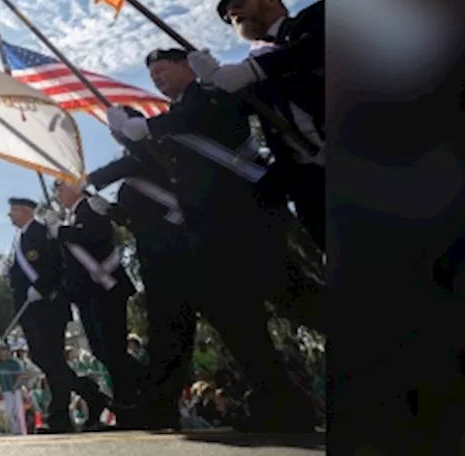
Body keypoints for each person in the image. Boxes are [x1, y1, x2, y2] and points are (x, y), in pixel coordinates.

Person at [107, 49, 318, 432]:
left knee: (295, 298)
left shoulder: (209, 95)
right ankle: (280, 402)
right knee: (239, 321)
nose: (156, 78)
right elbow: (150, 153)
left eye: (163, 69)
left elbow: (200, 119)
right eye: (151, 74)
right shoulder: (176, 117)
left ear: (187, 65)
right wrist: (127, 133)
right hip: (215, 233)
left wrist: (147, 128)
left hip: (249, 218)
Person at [191, 0, 325, 251]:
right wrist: (210, 84)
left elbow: (319, 46)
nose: (232, 13)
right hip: (312, 183)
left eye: (239, 3)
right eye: (228, 16)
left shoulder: (316, 17)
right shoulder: (254, 65)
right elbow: (234, 114)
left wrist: (255, 69)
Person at [84, 145, 196, 430]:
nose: (120, 148)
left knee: (186, 331)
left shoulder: (152, 157)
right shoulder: (127, 187)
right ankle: (159, 408)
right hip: (157, 264)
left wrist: (86, 179)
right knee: (165, 336)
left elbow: (130, 163)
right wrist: (111, 210)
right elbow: (135, 221)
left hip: (188, 254)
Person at [5, 196, 108, 433]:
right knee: (45, 359)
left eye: (13, 211)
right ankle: (91, 395)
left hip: (49, 307)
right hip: (31, 310)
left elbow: (56, 264)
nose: (10, 216)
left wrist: (41, 288)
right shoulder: (19, 238)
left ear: (25, 211)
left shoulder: (42, 232)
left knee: (51, 358)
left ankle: (60, 416)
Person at [46, 179, 142, 421]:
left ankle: (132, 400)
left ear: (72, 187)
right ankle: (136, 392)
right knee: (102, 349)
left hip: (106, 289)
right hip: (88, 293)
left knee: (112, 347)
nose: (57, 193)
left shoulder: (90, 207)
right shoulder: (71, 215)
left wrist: (60, 231)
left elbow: (96, 234)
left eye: (59, 187)